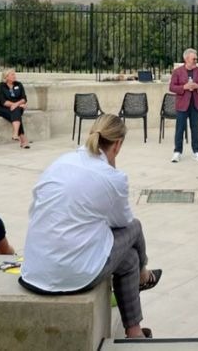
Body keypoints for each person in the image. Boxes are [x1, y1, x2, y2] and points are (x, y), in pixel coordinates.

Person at [20, 115, 161, 339]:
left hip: (35, 270)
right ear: (118, 144)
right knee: (135, 227)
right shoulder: (113, 177)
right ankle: (144, 274)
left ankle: (134, 331)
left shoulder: (61, 162)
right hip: (72, 274)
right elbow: (123, 224)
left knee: (128, 260)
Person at [169, 48, 198, 163]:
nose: (196, 60)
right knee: (180, 129)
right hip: (182, 105)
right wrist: (183, 87)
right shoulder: (177, 72)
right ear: (186, 59)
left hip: (195, 105)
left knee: (195, 128)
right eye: (193, 59)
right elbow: (171, 87)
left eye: (196, 58)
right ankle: (177, 152)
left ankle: (196, 151)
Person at [0, 68, 30, 149]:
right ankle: (23, 139)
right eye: (12, 74)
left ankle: (15, 134)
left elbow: (24, 99)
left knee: (16, 111)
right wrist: (18, 105)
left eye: (14, 74)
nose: (15, 76)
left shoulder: (19, 84)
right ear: (6, 77)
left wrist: (16, 104)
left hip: (17, 107)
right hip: (3, 109)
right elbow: (3, 102)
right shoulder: (0, 86)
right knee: (16, 112)